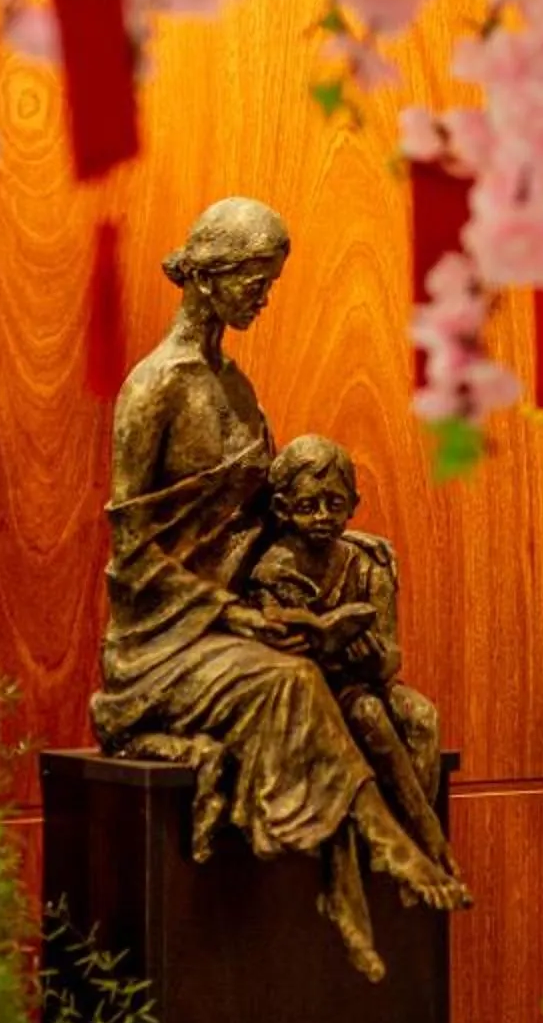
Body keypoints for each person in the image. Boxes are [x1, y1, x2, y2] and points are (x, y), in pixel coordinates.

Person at [92, 195, 467, 980]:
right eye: (257, 280)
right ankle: (377, 851)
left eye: (271, 281)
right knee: (292, 682)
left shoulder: (237, 386)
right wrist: (240, 619)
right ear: (210, 277)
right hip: (163, 642)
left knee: (381, 697)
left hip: (236, 626)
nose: (265, 296)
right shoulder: (155, 388)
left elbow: (259, 517)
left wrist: (350, 546)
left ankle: (369, 868)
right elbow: (132, 554)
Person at [237, 435, 461, 886]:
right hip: (312, 697)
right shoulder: (271, 570)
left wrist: (373, 659)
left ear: (353, 505)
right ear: (282, 508)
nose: (323, 517)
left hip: (363, 680)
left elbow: (390, 657)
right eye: (309, 505)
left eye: (334, 504)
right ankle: (419, 839)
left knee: (421, 717)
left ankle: (401, 838)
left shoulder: (367, 565)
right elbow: (270, 649)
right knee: (368, 713)